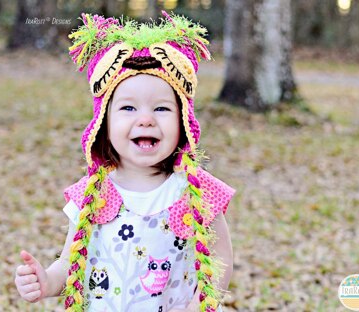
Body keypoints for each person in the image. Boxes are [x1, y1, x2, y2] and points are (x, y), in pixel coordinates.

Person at [15, 11, 235, 312]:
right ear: (104, 123)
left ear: (183, 121)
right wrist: (47, 282)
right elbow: (71, 263)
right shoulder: (90, 195)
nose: (145, 120)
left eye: (161, 109)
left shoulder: (196, 192)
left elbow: (220, 259)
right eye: (128, 108)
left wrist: (200, 306)